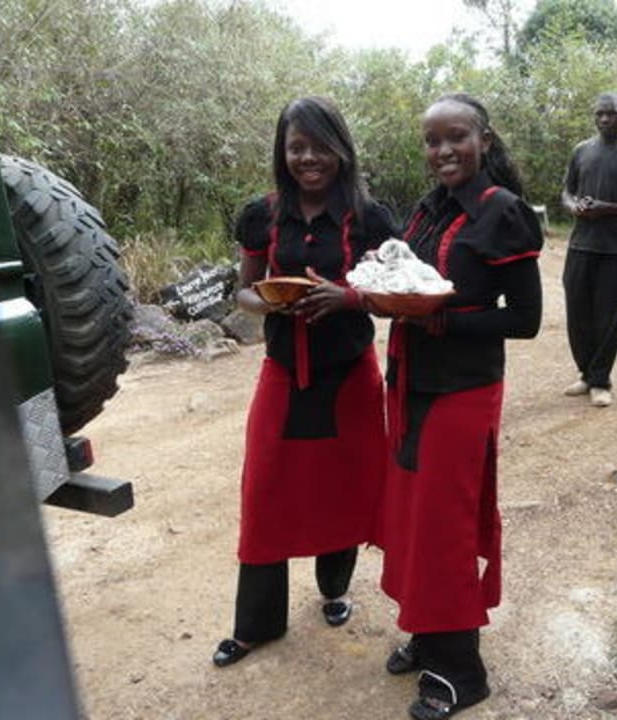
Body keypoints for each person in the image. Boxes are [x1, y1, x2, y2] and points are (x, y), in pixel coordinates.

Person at [212, 96, 397, 667]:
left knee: (343, 484)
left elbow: (395, 295)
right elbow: (244, 290)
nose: (308, 158)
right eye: (297, 147)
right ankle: (257, 625)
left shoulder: (371, 218)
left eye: (320, 147)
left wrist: (349, 297)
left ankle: (335, 589)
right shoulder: (262, 214)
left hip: (350, 374)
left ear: (341, 150)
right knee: (265, 489)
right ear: (282, 152)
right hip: (284, 369)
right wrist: (272, 301)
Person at [375, 93, 543, 720]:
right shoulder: (430, 208)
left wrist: (444, 322)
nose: (443, 150)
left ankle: (462, 671)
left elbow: (524, 320)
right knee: (415, 515)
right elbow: (405, 278)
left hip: (463, 388)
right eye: (432, 140)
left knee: (446, 524)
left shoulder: (503, 212)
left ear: (484, 141)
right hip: (410, 378)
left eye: (456, 137)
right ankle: (428, 634)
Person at [561, 92, 617, 407]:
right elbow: (567, 191)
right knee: (577, 313)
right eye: (599, 113)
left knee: (608, 316)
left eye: (611, 113)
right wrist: (575, 206)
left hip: (614, 248)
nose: (604, 119)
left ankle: (601, 381)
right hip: (579, 244)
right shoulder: (581, 150)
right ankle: (586, 374)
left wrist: (607, 208)